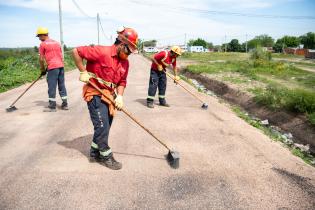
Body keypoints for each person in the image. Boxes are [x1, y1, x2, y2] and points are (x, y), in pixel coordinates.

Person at [72, 27, 138, 170]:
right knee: (102, 127)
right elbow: (76, 51)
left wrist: (120, 96)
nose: (129, 55)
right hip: (94, 93)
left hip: (109, 96)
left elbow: (122, 81)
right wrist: (83, 71)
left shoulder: (125, 63)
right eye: (128, 50)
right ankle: (106, 156)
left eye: (131, 53)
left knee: (105, 127)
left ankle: (94, 152)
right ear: (121, 43)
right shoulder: (102, 52)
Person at [37, 27, 68, 112]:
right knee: (62, 85)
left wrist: (43, 69)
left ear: (43, 35)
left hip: (53, 67)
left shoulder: (43, 44)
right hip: (61, 66)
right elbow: (60, 55)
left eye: (39, 36)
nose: (39, 38)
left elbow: (41, 59)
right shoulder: (57, 43)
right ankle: (65, 104)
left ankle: (52, 106)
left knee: (52, 86)